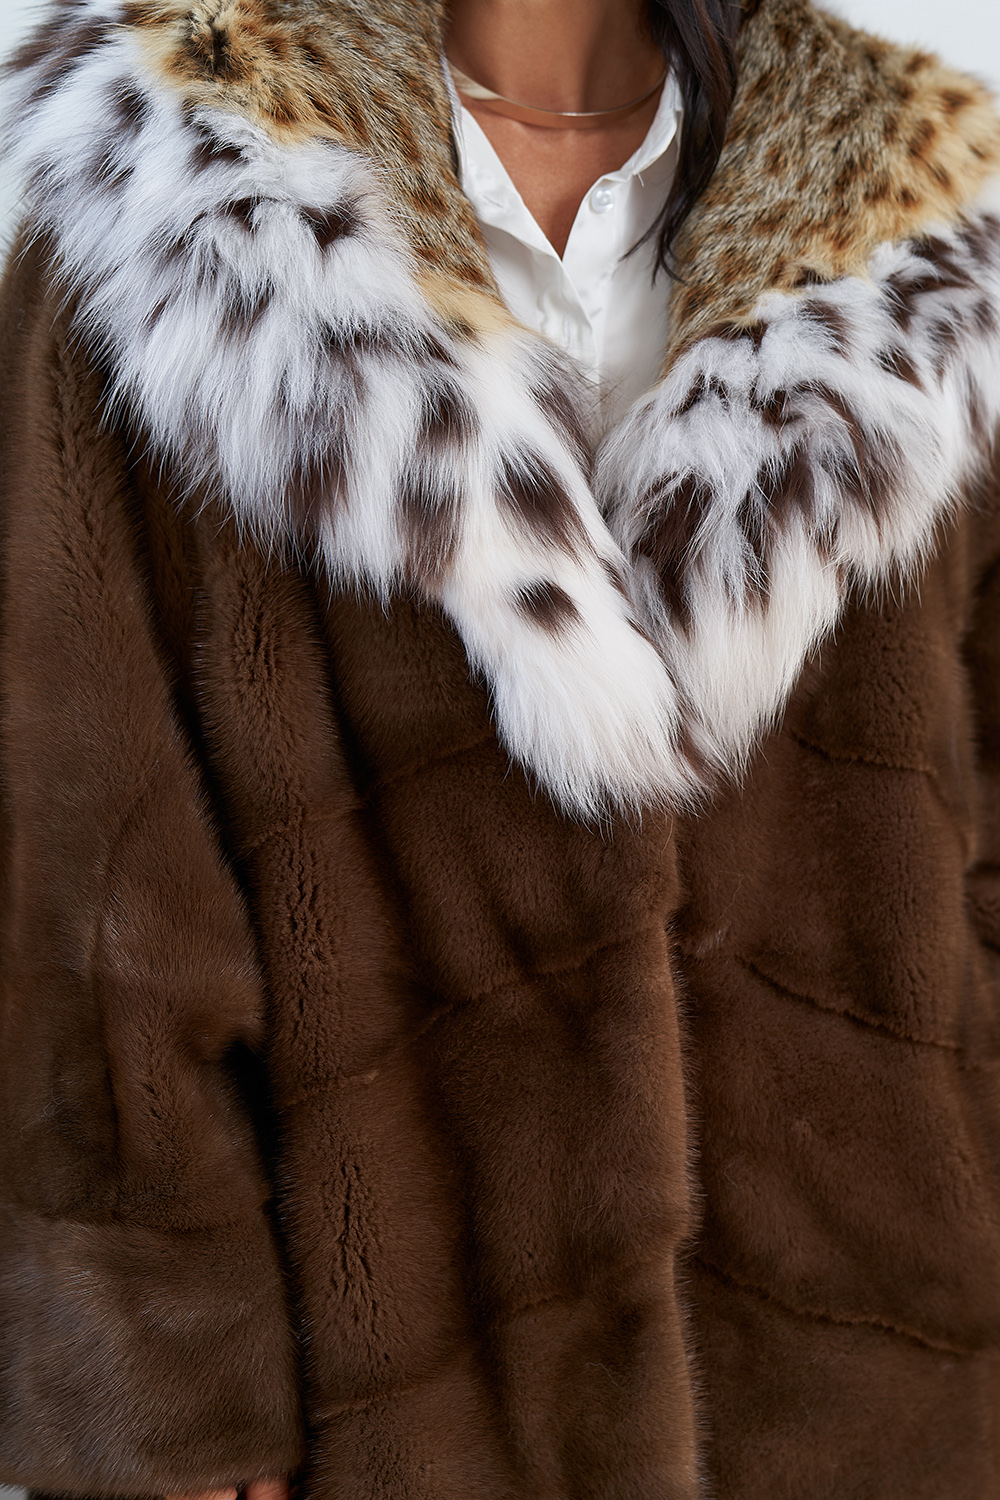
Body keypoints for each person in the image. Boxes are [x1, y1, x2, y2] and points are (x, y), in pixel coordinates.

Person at [0, 0, 999, 1494]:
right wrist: (162, 1391)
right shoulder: (169, 211)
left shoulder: (934, 239)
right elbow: (81, 870)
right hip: (384, 1398)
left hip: (886, 1387)